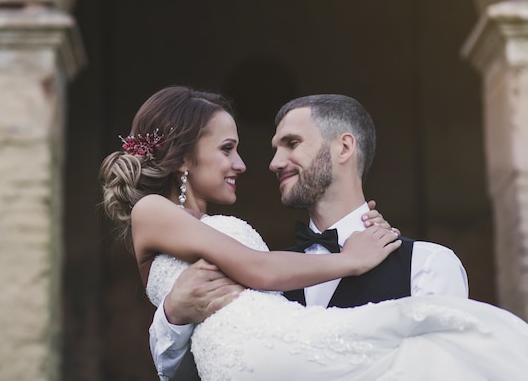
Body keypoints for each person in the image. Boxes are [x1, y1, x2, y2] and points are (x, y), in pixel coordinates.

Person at [101, 86, 528, 381]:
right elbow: (188, 365)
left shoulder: (427, 264)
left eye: (290, 144)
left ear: (343, 148)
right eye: (232, 149)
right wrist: (173, 315)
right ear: (184, 157)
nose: (268, 163)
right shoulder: (270, 269)